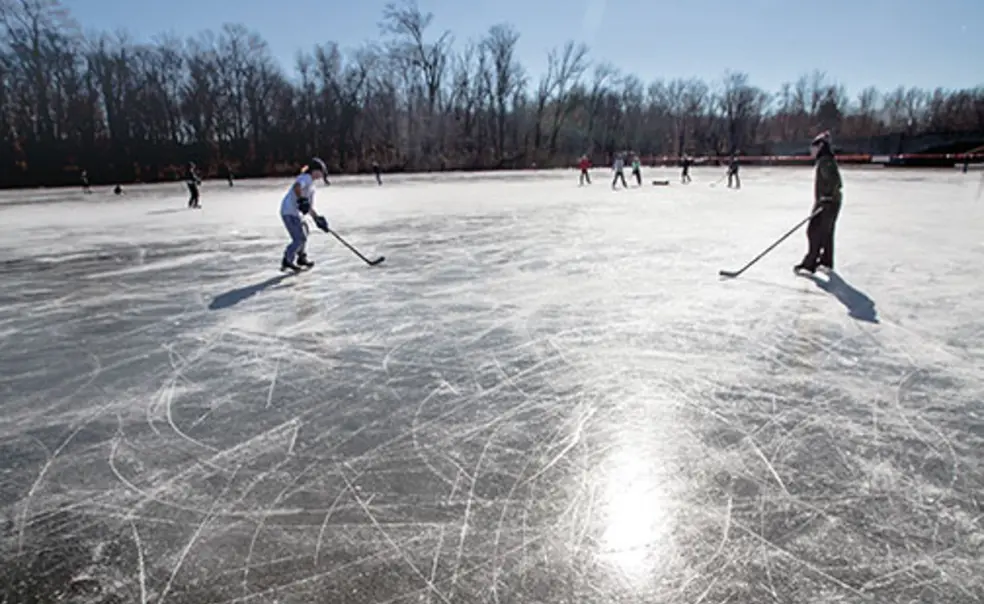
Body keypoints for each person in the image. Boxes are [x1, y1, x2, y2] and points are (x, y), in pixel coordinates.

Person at [795, 131, 843, 274]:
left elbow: (836, 182)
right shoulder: (826, 160)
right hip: (829, 202)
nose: (811, 151)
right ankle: (826, 261)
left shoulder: (825, 162)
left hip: (827, 203)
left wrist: (827, 197)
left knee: (814, 231)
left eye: (813, 147)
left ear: (820, 146)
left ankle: (810, 264)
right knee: (826, 233)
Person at [280, 157, 330, 272]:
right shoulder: (306, 178)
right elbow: (297, 187)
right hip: (289, 212)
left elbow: (309, 207)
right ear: (314, 170)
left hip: (296, 214)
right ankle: (287, 260)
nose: (322, 175)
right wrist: (301, 199)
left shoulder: (311, 186)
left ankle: (301, 258)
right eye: (321, 171)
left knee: (305, 234)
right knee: (299, 238)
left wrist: (317, 219)